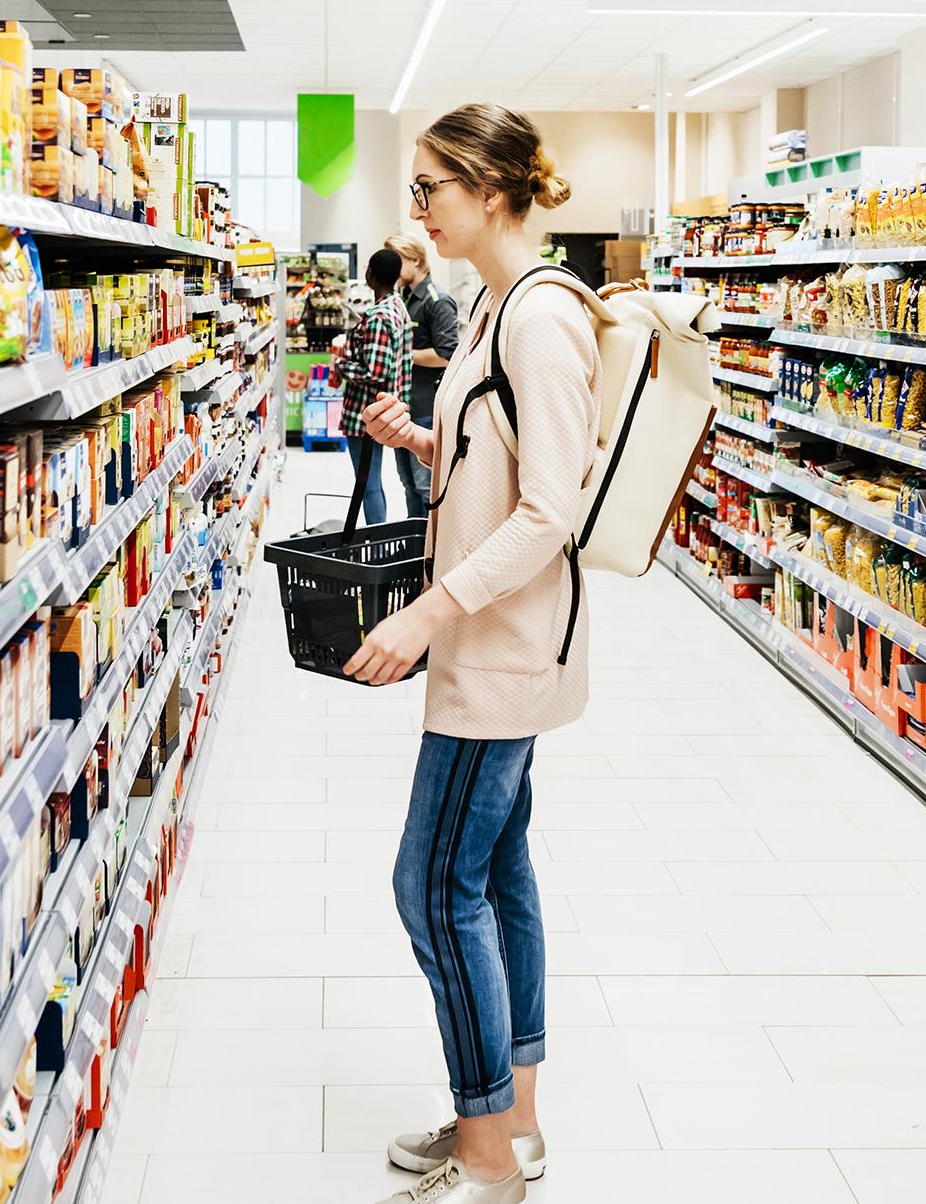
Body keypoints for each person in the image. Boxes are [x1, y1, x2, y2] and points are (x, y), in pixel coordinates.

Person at [345, 106, 600, 1204]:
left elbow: (550, 510)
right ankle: (514, 1121)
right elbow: (499, 451)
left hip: (496, 653)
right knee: (494, 871)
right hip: (494, 644)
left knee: (431, 886)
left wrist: (422, 616)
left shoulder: (540, 317)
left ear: (490, 189)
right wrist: (419, 440)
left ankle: (489, 1158)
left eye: (429, 188)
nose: (417, 211)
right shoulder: (497, 304)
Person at [332, 247, 412, 526]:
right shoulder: (397, 307)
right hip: (387, 405)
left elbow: (375, 372)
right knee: (372, 481)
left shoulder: (378, 316)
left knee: (368, 483)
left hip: (366, 413)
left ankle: (375, 544)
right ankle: (377, 537)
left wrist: (341, 365)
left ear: (371, 274)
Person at [383, 233, 459, 520]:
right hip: (404, 405)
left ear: (415, 259)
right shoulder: (403, 297)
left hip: (425, 409)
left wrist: (404, 353)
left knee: (426, 485)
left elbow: (447, 354)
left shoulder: (437, 300)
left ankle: (430, 551)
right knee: (408, 485)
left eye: (395, 260)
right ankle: (414, 541)